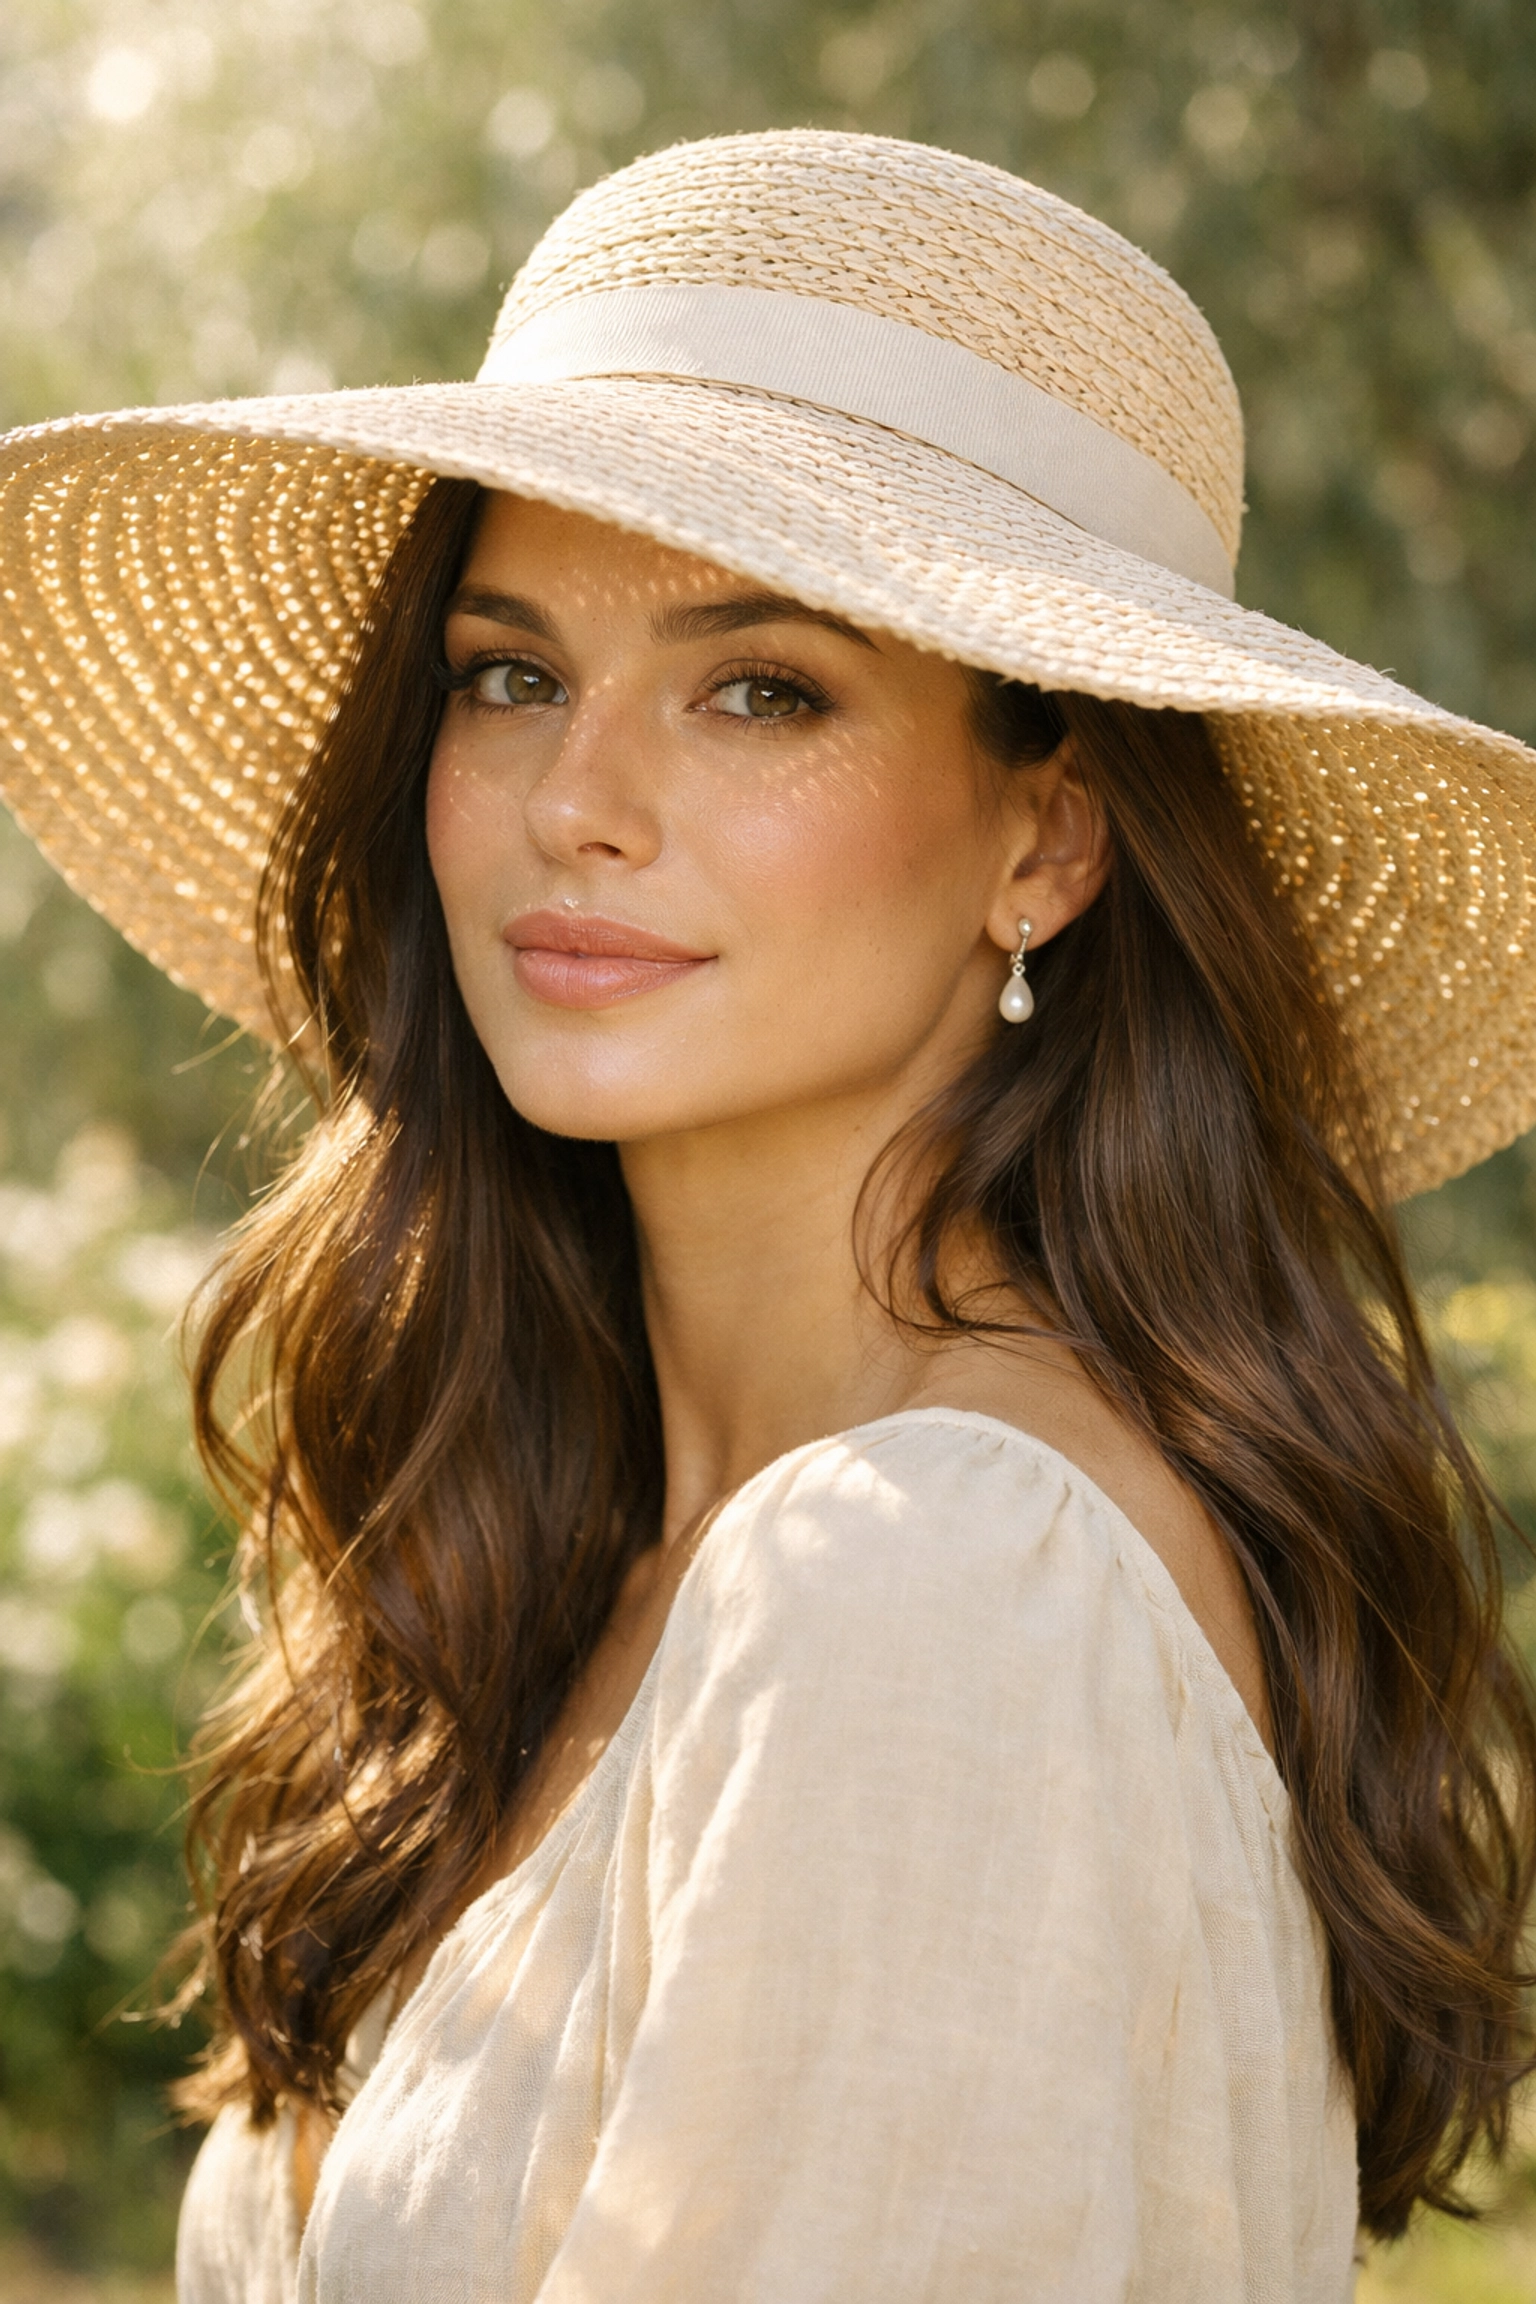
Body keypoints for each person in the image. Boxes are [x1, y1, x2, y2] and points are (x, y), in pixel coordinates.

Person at [0, 128, 1532, 2303]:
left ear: (1050, 845)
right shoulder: (624, 1546)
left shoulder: (941, 1597)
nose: (574, 805)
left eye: (764, 690)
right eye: (510, 673)